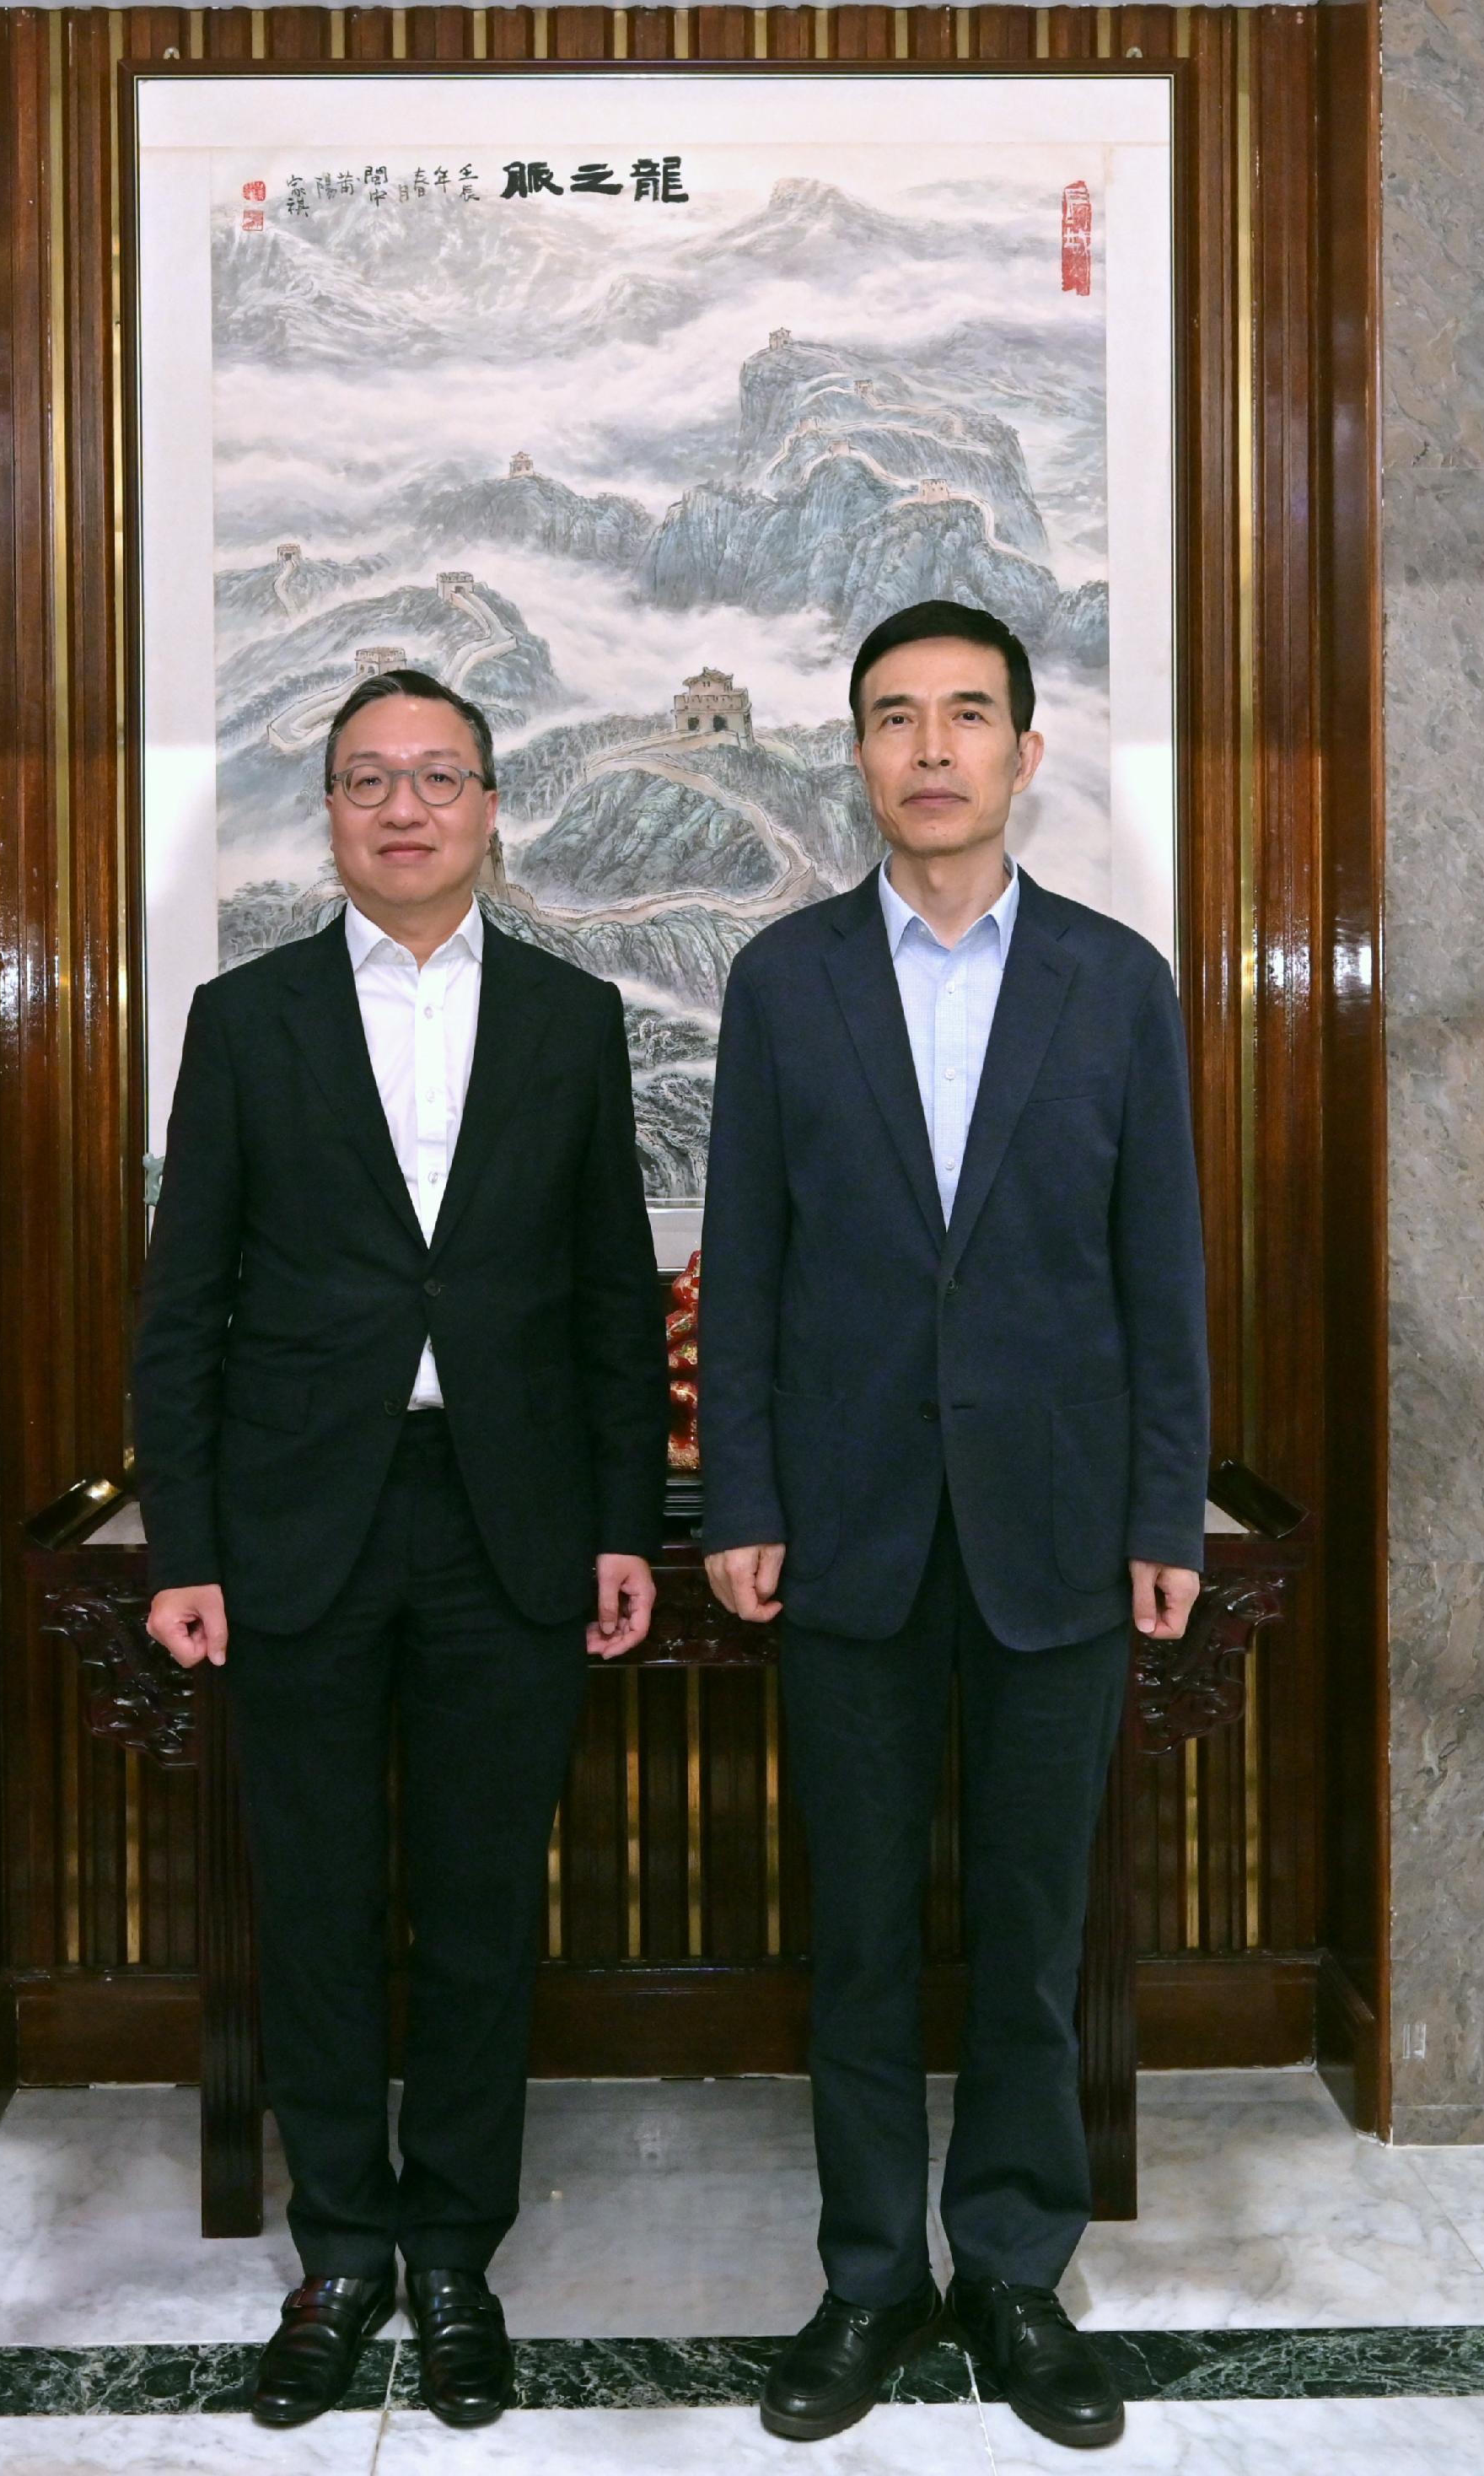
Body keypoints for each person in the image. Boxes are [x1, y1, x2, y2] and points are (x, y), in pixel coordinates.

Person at [700, 600, 1211, 2452]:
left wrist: (1167, 1503)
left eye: (966, 716)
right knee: (851, 1936)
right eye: (894, 718)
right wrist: (740, 1498)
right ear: (854, 755)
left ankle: (1009, 2269)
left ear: (1023, 754)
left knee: (1024, 1928)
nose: (929, 748)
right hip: (837, 1532)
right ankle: (865, 2281)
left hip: (1056, 1536)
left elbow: (1161, 1275)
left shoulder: (1113, 982)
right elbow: (742, 1272)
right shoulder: (782, 982)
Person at [134, 668, 669, 2430]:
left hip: (504, 1524)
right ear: (332, 819)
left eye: (438, 776)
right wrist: (184, 1543)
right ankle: (341, 2249)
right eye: (368, 780)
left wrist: (616, 1526)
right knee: (310, 1901)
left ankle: (454, 2251)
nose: (405, 807)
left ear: (494, 807)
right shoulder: (247, 1018)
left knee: (475, 1907)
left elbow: (607, 1302)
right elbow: (182, 1310)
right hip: (297, 1528)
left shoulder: (569, 1022)